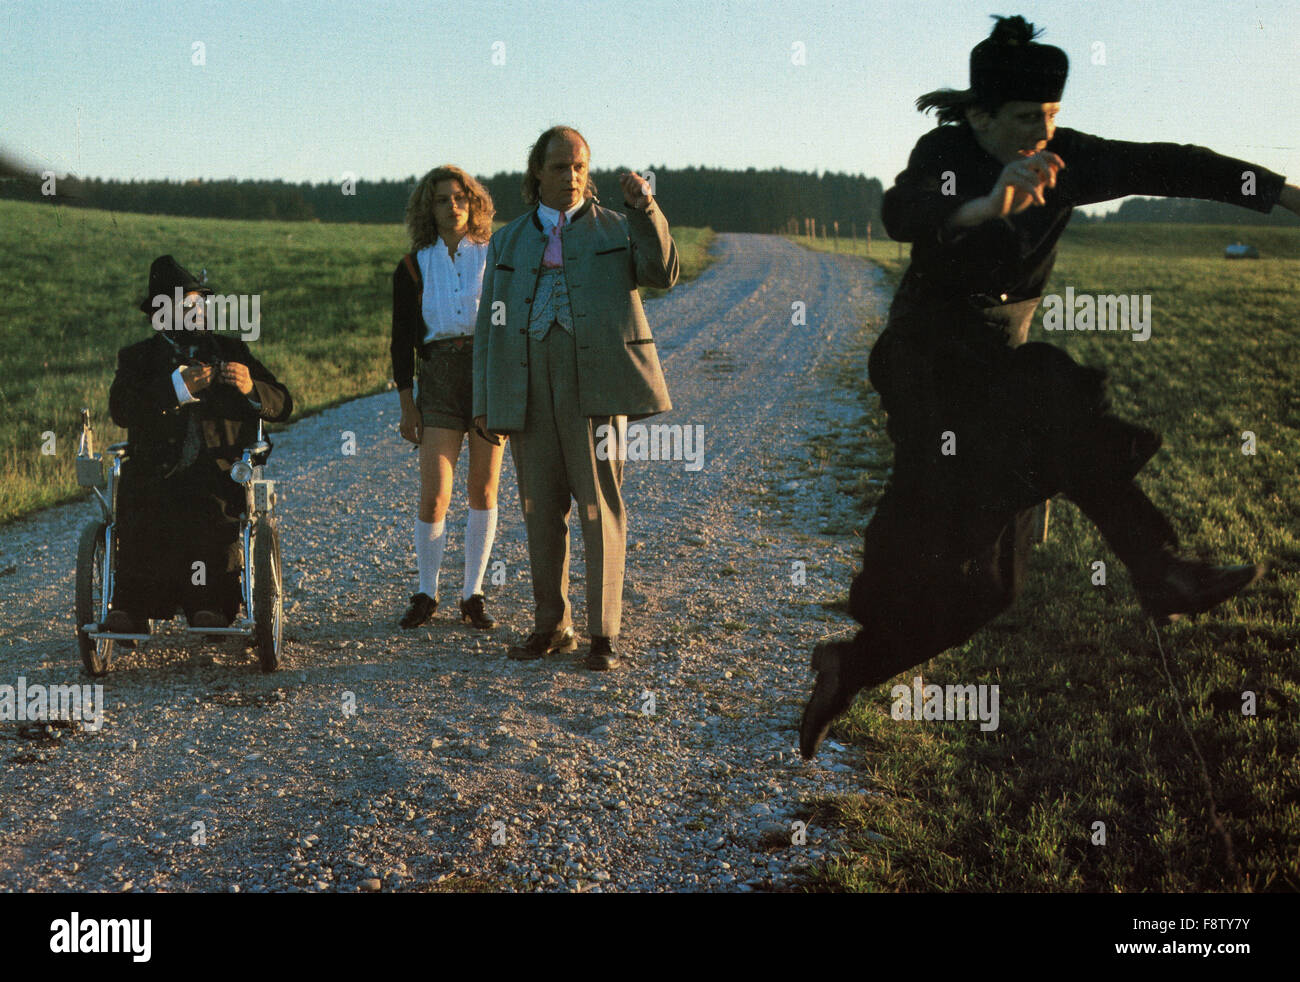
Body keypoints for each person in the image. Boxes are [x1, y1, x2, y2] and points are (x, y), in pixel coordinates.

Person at [799, 15, 1300, 758]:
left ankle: (853, 666)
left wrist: (1289, 197)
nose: (1042, 133)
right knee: (1050, 396)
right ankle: (1162, 571)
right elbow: (904, 211)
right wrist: (987, 205)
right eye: (1027, 118)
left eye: (1052, 117)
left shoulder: (1065, 159)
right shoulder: (946, 152)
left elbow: (1178, 165)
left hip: (997, 363)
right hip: (930, 359)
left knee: (990, 589)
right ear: (981, 116)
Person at [473, 125, 677, 670]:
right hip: (527, 386)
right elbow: (490, 324)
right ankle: (551, 626)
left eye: (580, 167)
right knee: (540, 512)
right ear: (536, 171)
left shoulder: (617, 227)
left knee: (599, 508)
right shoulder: (508, 241)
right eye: (560, 167)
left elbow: (664, 273)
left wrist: (646, 209)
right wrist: (485, 399)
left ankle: (603, 635)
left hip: (599, 385)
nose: (571, 177)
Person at [104, 255, 292, 633]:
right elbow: (121, 410)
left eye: (200, 304)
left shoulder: (231, 351)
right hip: (156, 466)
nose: (198, 313)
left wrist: (250, 387)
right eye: (186, 306)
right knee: (140, 504)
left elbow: (283, 403)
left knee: (210, 509)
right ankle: (132, 608)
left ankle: (207, 606)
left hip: (216, 466)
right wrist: (176, 388)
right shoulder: (139, 358)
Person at [392, 165, 503, 630]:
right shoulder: (414, 265)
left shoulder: (494, 256)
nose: (452, 206)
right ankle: (426, 591)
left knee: (483, 488)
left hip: (487, 373)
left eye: (460, 197)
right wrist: (406, 401)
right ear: (429, 208)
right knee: (436, 493)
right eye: (442, 200)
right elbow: (401, 339)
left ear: (472, 202)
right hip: (437, 376)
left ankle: (472, 594)